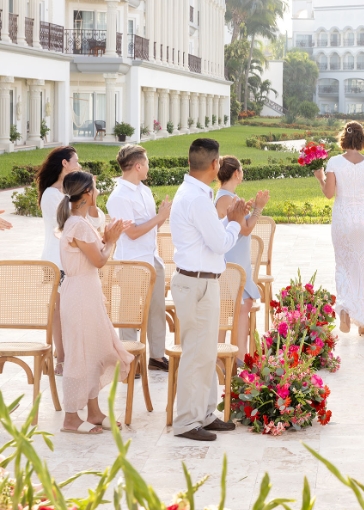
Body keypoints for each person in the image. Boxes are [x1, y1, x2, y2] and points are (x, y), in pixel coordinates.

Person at [170, 139, 248, 442]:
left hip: (200, 280)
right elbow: (219, 243)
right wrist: (235, 223)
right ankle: (186, 421)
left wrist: (228, 220)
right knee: (196, 353)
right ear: (215, 165)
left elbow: (208, 236)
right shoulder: (197, 198)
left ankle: (204, 414)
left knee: (205, 352)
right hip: (197, 282)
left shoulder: (194, 193)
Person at [57, 171, 133, 434]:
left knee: (93, 351)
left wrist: (108, 239)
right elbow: (99, 260)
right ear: (87, 193)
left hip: (84, 293)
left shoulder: (79, 222)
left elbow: (97, 252)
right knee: (79, 354)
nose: (98, 192)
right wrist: (112, 241)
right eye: (96, 188)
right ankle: (70, 417)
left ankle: (93, 411)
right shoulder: (77, 225)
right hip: (80, 296)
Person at [106, 145, 172, 372]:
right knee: (130, 312)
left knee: (157, 310)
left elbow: (151, 228)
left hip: (152, 259)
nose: (148, 167)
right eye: (147, 163)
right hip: (132, 263)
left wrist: (161, 216)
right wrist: (160, 217)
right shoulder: (119, 197)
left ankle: (157, 356)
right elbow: (132, 233)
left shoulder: (144, 190)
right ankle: (129, 361)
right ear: (137, 166)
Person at [314, 121, 364, 335]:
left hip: (343, 218)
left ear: (344, 138)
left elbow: (329, 194)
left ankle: (344, 311)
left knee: (343, 265)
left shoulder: (334, 162)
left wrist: (320, 178)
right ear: (362, 139)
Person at [214, 156, 270, 362]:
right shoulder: (228, 199)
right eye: (241, 169)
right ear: (237, 173)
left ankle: (229, 356)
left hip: (235, 258)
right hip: (232, 260)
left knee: (237, 306)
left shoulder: (226, 197)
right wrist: (258, 208)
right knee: (239, 306)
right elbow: (245, 229)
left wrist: (247, 210)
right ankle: (236, 357)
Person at [37, 146, 83, 375]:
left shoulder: (67, 192)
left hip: (70, 259)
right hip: (56, 260)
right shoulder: (51, 195)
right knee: (59, 310)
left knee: (72, 309)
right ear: (65, 163)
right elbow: (65, 225)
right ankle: (62, 358)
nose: (79, 165)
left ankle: (72, 354)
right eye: (76, 161)